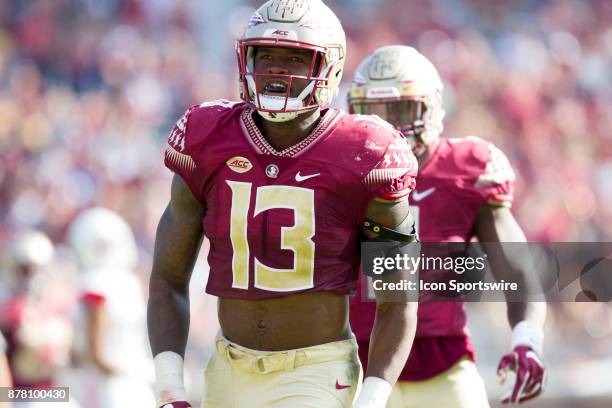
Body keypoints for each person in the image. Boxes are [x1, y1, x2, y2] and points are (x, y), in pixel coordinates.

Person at [147, 1, 420, 407]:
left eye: (295, 56)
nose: (276, 68)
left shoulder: (367, 153)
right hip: (229, 366)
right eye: (266, 54)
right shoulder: (206, 136)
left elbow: (397, 295)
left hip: (316, 369)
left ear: (328, 65)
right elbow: (168, 278)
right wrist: (170, 389)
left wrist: (373, 397)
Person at [348, 45, 547, 407]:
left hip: (443, 368)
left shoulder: (467, 169)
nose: (389, 125)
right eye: (375, 112)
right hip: (351, 369)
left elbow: (517, 267)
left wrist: (527, 338)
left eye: (401, 109)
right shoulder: (341, 169)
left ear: (432, 107)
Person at [67, 207, 155, 408]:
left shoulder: (97, 284)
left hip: (112, 385)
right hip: (117, 383)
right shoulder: (126, 283)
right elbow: (96, 353)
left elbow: (96, 353)